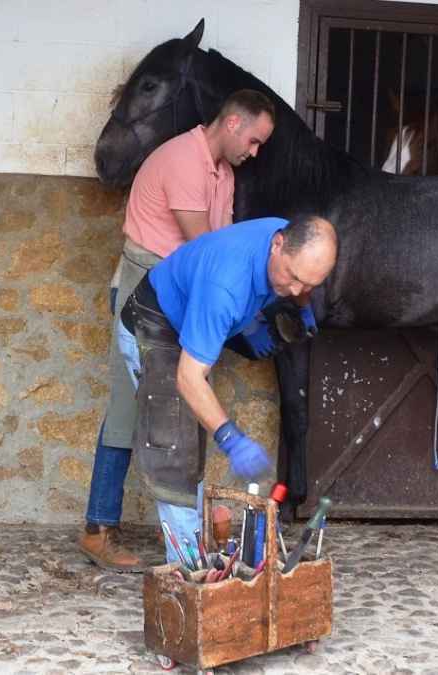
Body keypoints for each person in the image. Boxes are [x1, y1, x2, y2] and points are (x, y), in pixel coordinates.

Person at [79, 90, 277, 571]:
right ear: (231, 123)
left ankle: (178, 530)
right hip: (143, 290)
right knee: (131, 413)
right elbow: (207, 250)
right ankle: (98, 530)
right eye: (253, 140)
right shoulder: (183, 162)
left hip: (179, 295)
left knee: (177, 409)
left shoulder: (223, 174)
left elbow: (222, 245)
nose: (254, 153)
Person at [117, 214, 337, 564]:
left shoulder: (290, 240)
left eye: (309, 284)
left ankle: (197, 548)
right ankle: (189, 572)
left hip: (194, 317)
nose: (297, 290)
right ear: (277, 244)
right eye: (293, 278)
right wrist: (231, 438)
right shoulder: (225, 287)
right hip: (156, 325)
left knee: (191, 439)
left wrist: (302, 309)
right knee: (174, 446)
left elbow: (297, 286)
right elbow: (189, 378)